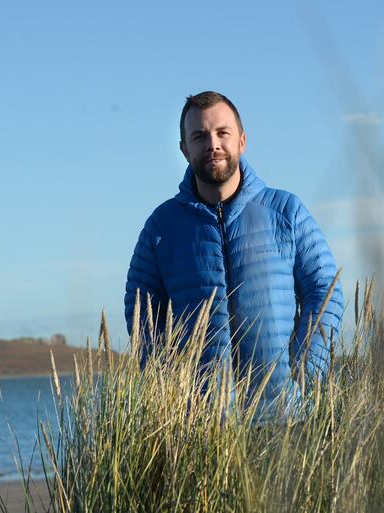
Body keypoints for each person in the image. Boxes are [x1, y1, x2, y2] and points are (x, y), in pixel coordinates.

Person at [124, 91, 344, 418]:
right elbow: (142, 311)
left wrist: (306, 369)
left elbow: (324, 289)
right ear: (185, 150)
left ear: (241, 141)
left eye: (222, 133)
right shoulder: (162, 226)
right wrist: (169, 387)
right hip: (202, 426)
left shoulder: (287, 211)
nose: (212, 144)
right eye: (199, 137)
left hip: (285, 418)